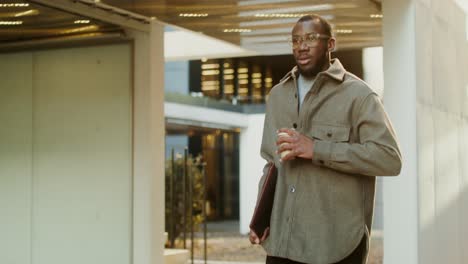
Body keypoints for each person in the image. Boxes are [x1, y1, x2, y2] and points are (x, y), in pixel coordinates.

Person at [249, 14, 402, 264]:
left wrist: (316, 149)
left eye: (310, 38)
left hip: (334, 245)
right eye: (296, 40)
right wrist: (261, 216)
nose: (302, 46)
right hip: (282, 243)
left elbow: (389, 158)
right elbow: (271, 164)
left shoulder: (359, 96)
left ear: (330, 44)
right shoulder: (277, 95)